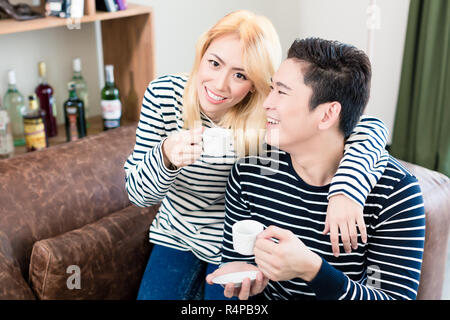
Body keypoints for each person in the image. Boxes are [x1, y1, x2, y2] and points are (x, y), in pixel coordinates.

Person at [124, 11, 389, 300]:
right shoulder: (164, 95)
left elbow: (366, 126)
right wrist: (165, 156)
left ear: (254, 83)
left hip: (237, 240)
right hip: (176, 231)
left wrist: (346, 191)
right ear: (201, 54)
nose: (220, 84)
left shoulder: (268, 110)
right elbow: (139, 196)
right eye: (214, 63)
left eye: (240, 75)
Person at [206, 37, 425, 300]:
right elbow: (236, 258)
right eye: (272, 87)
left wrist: (313, 271)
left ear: (327, 115)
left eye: (282, 92)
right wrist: (245, 276)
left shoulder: (395, 193)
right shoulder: (249, 173)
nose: (267, 103)